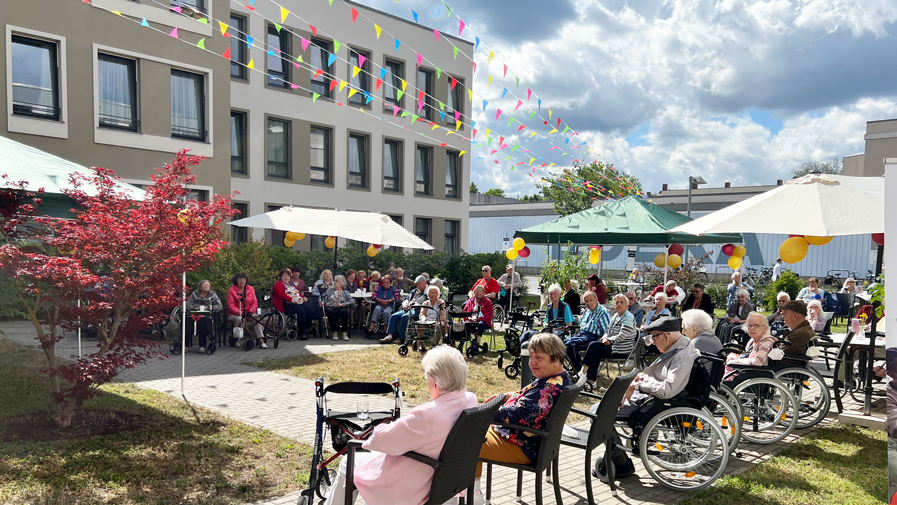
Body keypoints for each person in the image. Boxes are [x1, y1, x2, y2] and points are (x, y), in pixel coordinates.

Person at [323, 345, 478, 505]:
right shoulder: (471, 400)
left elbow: (380, 441)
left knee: (347, 461)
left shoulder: (427, 415)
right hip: (446, 481)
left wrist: (386, 427)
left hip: (415, 485)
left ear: (434, 384)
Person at [596, 316, 701, 480]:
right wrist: (641, 380)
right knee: (600, 407)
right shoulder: (682, 347)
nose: (652, 342)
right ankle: (618, 458)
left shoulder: (682, 355)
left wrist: (639, 385)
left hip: (655, 402)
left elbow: (667, 389)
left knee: (598, 414)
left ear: (665, 336)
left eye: (654, 337)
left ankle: (619, 463)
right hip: (651, 397)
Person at [476, 333, 571, 489]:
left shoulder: (549, 390)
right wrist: (510, 395)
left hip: (522, 445)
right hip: (522, 438)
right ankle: (474, 492)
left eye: (538, 358)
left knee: (462, 444)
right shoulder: (561, 377)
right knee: (467, 435)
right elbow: (532, 402)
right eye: (531, 356)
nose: (531, 362)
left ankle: (469, 495)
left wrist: (481, 412)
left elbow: (520, 415)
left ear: (556, 359)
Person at [579, 294, 636, 384]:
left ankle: (583, 373)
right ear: (614, 305)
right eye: (617, 302)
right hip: (613, 345)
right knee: (595, 350)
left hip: (621, 348)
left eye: (621, 302)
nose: (619, 304)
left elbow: (623, 335)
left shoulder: (628, 317)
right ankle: (591, 381)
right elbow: (607, 330)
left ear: (627, 304)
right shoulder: (616, 315)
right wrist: (605, 337)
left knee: (593, 346)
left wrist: (609, 340)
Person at [723, 312, 778, 388]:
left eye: (756, 326)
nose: (752, 328)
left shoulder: (767, 341)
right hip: (748, 370)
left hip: (756, 373)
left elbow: (759, 361)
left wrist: (737, 361)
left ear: (765, 328)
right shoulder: (753, 340)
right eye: (749, 325)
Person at [565, 290, 612, 373]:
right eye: (586, 301)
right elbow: (582, 326)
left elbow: (607, 330)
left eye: (591, 300)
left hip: (594, 336)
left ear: (596, 299)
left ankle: (580, 371)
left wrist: (605, 338)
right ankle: (576, 369)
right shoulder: (587, 311)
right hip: (583, 334)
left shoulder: (603, 312)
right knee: (563, 343)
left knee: (570, 345)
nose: (588, 303)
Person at [379, 275, 429, 345]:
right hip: (408, 309)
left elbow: (426, 303)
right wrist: (405, 304)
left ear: (424, 283)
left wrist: (412, 305)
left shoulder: (428, 292)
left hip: (417, 310)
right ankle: (389, 336)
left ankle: (401, 338)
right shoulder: (414, 291)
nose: (418, 286)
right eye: (416, 284)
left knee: (405, 317)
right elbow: (406, 299)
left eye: (419, 284)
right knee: (394, 316)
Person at [226, 272, 265, 347]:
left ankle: (261, 340)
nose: (242, 281)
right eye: (240, 280)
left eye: (244, 280)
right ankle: (237, 339)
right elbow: (230, 306)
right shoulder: (231, 290)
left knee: (257, 319)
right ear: (236, 281)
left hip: (249, 312)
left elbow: (255, 302)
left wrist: (250, 311)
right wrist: (241, 313)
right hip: (235, 314)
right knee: (240, 319)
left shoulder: (251, 289)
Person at [681, 309, 723, 373]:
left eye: (684, 328)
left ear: (694, 329)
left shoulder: (697, 342)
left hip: (699, 381)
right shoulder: (713, 338)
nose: (683, 332)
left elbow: (681, 367)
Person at [185, 279, 222, 353]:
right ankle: (186, 345)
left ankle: (202, 346)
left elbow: (219, 306)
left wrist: (208, 308)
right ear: (199, 287)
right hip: (194, 314)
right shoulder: (194, 294)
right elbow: (187, 305)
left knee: (202, 322)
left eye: (208, 285)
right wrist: (194, 308)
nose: (206, 286)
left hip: (206, 315)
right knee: (187, 321)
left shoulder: (213, 295)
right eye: (204, 285)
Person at [274, 268, 310, 341]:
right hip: (286, 303)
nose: (286, 277)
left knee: (310, 311)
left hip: (297, 301)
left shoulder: (291, 284)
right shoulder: (278, 284)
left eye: (288, 276)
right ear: (281, 276)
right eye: (284, 275)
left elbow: (297, 292)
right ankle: (303, 332)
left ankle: (305, 328)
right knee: (301, 311)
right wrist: (290, 299)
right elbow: (281, 294)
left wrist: (303, 297)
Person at [417, 285, 448, 350]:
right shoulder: (425, 303)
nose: (432, 294)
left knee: (438, 325)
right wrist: (425, 319)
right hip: (427, 320)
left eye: (434, 293)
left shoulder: (441, 302)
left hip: (438, 320)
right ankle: (422, 344)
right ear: (428, 294)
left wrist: (436, 320)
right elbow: (421, 314)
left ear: (438, 294)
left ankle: (435, 344)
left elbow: (443, 315)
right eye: (430, 292)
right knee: (418, 325)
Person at [324, 275, 355, 341]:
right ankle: (334, 332)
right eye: (334, 281)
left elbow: (352, 301)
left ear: (341, 284)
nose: (334, 282)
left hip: (340, 307)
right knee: (330, 311)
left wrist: (342, 304)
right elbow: (322, 297)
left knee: (344, 312)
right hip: (330, 306)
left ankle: (344, 332)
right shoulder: (330, 290)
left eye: (336, 281)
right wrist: (321, 302)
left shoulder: (345, 292)